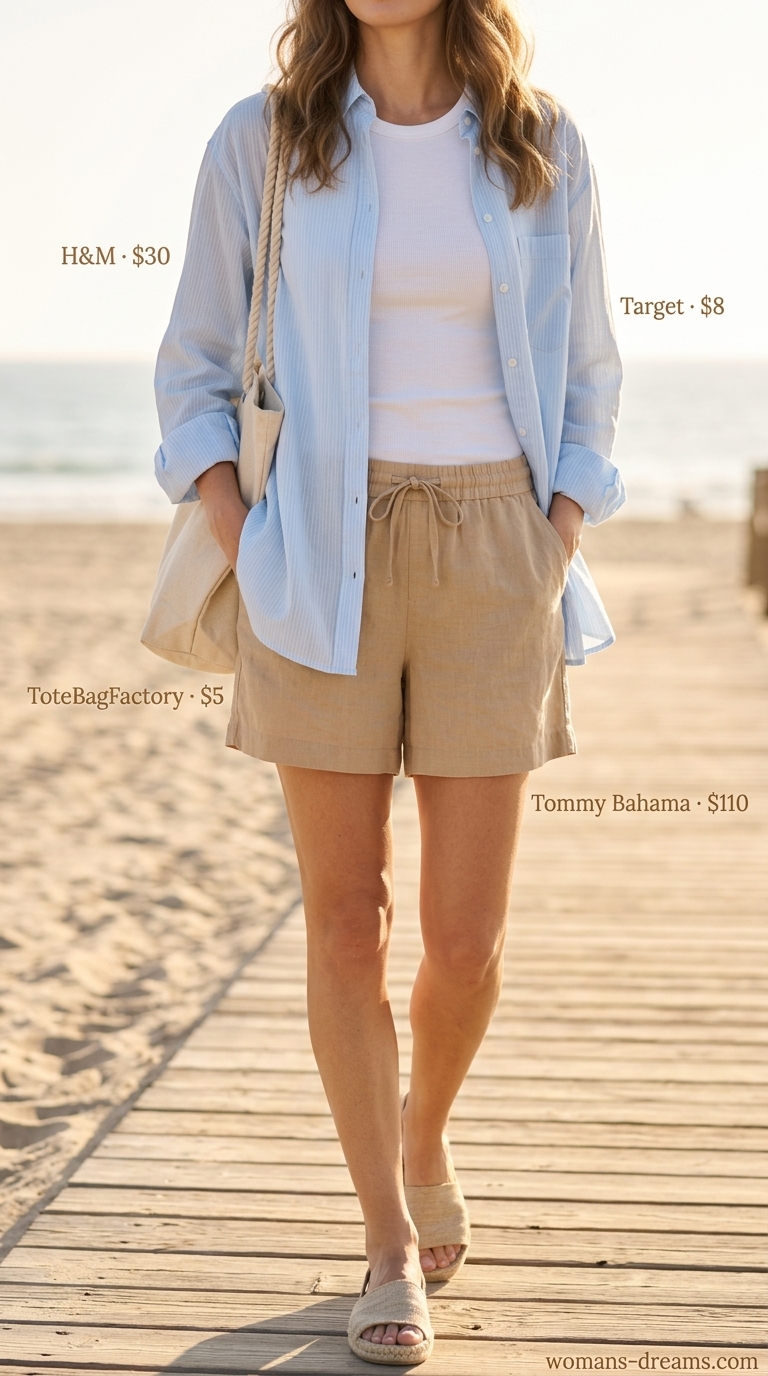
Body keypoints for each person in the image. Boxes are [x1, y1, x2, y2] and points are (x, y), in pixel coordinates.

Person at [153, 0, 624, 1362]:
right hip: (317, 547)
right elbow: (190, 368)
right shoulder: (264, 142)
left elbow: (592, 371)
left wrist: (556, 536)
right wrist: (255, 536)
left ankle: (424, 1136)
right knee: (344, 923)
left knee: (465, 942)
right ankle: (382, 1242)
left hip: (497, 550)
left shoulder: (540, 144)